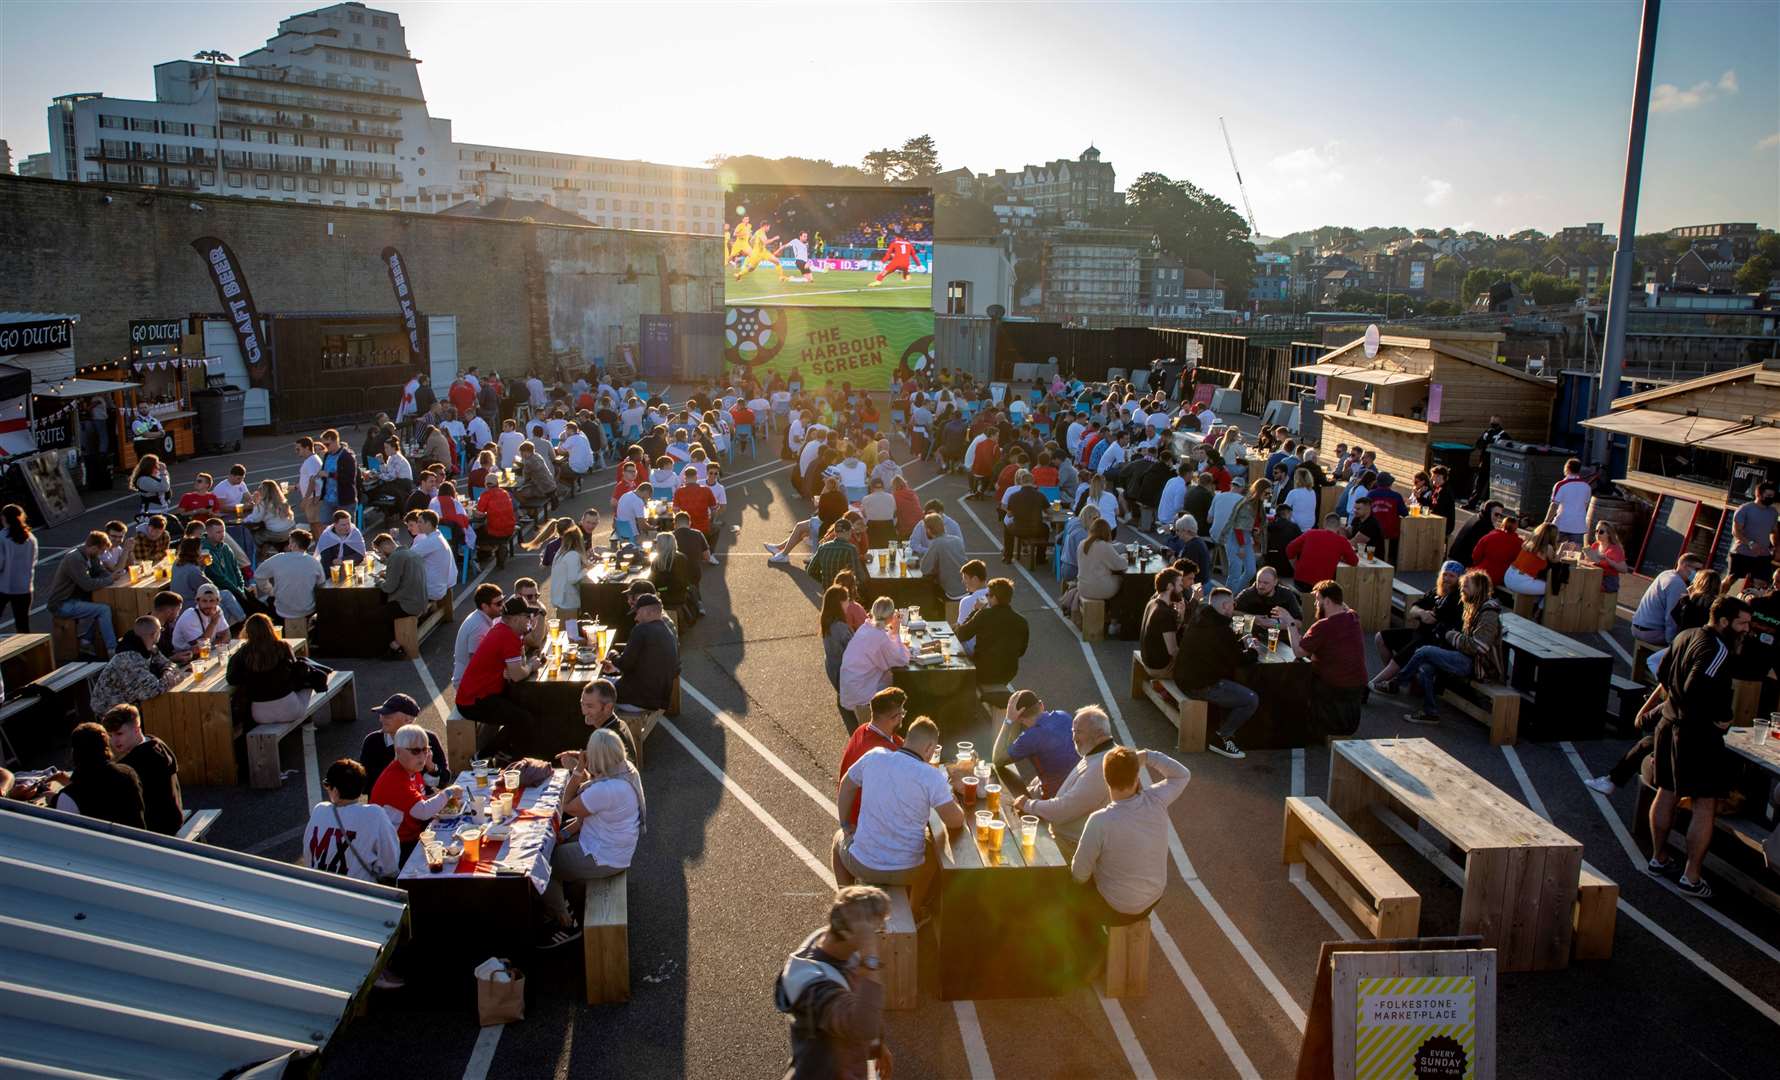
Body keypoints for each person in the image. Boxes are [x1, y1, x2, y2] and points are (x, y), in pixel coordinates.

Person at [1643, 595, 1750, 899]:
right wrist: (1722, 716)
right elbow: (1697, 686)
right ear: (1724, 621)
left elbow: (1663, 674)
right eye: (1742, 623)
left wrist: (1672, 704)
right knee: (1706, 803)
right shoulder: (1717, 648)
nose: (1746, 629)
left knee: (1667, 791)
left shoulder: (1684, 635)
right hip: (1696, 734)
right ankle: (1691, 876)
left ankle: (1659, 857)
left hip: (1669, 724)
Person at [832, 717, 962, 920]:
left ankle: (846, 906)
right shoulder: (932, 777)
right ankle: (915, 911)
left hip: (864, 864)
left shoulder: (874, 757)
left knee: (837, 839)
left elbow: (846, 784)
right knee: (932, 846)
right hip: (909, 871)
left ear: (906, 739)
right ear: (929, 748)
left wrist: (845, 824)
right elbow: (955, 822)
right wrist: (954, 800)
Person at [774, 885, 895, 1080]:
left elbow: (859, 992)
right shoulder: (814, 986)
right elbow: (863, 1026)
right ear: (849, 933)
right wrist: (870, 955)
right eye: (876, 930)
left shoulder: (839, 947)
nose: (879, 936)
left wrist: (877, 1045)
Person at [540, 728, 645, 949]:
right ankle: (557, 902)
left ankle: (566, 924)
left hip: (604, 856)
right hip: (613, 846)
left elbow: (567, 805)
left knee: (542, 865)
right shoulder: (625, 770)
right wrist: (566, 833)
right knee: (552, 846)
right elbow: (592, 805)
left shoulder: (607, 789)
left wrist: (578, 772)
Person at [1071, 746, 1190, 937]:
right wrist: (1147, 755)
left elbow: (1079, 874)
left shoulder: (1099, 820)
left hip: (1114, 908)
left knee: (1071, 884)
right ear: (1136, 778)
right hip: (1152, 900)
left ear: (1105, 778)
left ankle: (1092, 948)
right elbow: (1182, 775)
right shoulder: (1156, 800)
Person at [1399, 570, 1504, 725]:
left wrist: (1451, 635)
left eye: (1467, 586)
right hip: (1464, 656)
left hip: (1479, 665)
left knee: (1424, 651)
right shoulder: (1470, 606)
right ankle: (1430, 713)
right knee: (1426, 667)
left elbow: (1479, 647)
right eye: (1462, 586)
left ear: (1479, 588)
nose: (1462, 590)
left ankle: (1398, 681)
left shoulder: (1488, 612)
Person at [1012, 706, 1118, 856]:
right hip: (1068, 837)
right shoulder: (1096, 753)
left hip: (1074, 846)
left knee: (1017, 849)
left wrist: (1028, 805)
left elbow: (1065, 809)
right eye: (1073, 731)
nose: (1073, 737)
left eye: (1079, 732)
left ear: (1099, 734)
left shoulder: (1103, 766)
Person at [1174, 587, 1262, 759]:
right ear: (1224, 606)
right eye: (1232, 604)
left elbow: (1221, 651)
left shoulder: (1200, 616)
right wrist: (1252, 650)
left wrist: (1237, 643)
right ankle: (1222, 736)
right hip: (1199, 685)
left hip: (1183, 677)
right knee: (1251, 699)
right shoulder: (1221, 629)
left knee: (1230, 683)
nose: (1233, 607)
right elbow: (1239, 660)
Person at [1284, 579, 1368, 736]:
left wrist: (1290, 622)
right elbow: (1344, 606)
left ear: (1327, 601)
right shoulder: (1353, 617)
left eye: (1318, 600)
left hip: (1334, 687)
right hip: (1357, 685)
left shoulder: (1323, 626)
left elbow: (1298, 651)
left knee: (1296, 672)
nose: (1316, 605)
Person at [369, 722, 466, 859]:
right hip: (396, 847)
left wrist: (441, 798)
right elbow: (423, 811)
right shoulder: (395, 779)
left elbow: (421, 799)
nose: (422, 756)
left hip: (410, 835)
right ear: (399, 751)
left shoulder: (411, 770)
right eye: (415, 751)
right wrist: (448, 793)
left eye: (425, 750)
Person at [457, 595, 544, 739]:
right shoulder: (508, 637)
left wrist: (525, 633)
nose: (530, 619)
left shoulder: (503, 629)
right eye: (527, 616)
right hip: (474, 701)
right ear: (516, 618)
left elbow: (516, 667)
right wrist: (531, 666)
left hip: (479, 693)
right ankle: (487, 755)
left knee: (529, 704)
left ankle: (507, 750)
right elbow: (517, 675)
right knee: (524, 719)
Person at [304, 758, 402, 884]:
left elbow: (308, 854)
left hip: (318, 888)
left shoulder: (319, 810)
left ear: (335, 790)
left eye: (327, 785)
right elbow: (390, 866)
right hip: (358, 894)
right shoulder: (374, 815)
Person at [1372, 560, 1465, 692]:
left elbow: (1436, 619)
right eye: (1445, 574)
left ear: (1459, 579)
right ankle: (1393, 679)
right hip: (1420, 633)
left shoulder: (1457, 598)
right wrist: (1422, 613)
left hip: (1435, 641)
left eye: (1452, 576)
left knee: (1405, 654)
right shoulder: (1436, 592)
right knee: (1380, 637)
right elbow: (1413, 609)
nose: (1447, 579)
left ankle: (1375, 684)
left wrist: (1425, 615)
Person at [100, 703, 182, 835]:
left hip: (157, 829)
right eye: (110, 735)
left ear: (137, 730)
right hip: (174, 817)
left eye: (119, 733)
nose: (114, 741)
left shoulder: (133, 764)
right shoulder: (156, 742)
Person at [226, 613, 315, 726]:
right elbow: (296, 672)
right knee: (309, 682)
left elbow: (231, 679)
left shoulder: (243, 653)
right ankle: (308, 726)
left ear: (247, 632)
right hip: (290, 710)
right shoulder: (282, 646)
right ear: (270, 628)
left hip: (260, 714)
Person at [52, 722, 145, 829]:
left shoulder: (69, 797)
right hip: (137, 843)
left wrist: (55, 800)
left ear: (75, 753)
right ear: (106, 746)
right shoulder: (128, 774)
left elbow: (69, 838)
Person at [991, 690, 1081, 800]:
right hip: (1079, 783)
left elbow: (998, 760)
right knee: (1033, 784)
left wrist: (1009, 720)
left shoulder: (1031, 737)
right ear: (1041, 705)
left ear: (1018, 718)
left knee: (1014, 802)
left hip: (1056, 797)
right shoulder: (1064, 716)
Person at [837, 688, 906, 826]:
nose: (902, 717)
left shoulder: (862, 730)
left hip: (853, 815)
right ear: (895, 717)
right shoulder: (886, 753)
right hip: (868, 823)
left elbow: (899, 743)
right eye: (902, 713)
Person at [838, 597, 911, 727]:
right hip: (860, 692)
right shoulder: (879, 636)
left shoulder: (866, 628)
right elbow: (902, 660)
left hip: (849, 686)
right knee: (900, 685)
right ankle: (899, 728)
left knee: (887, 675)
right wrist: (895, 631)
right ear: (890, 616)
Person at [603, 592, 680, 711]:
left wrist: (613, 655)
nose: (635, 618)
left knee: (589, 689)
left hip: (636, 700)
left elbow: (625, 664)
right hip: (657, 699)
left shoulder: (641, 629)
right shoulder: (666, 631)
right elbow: (648, 664)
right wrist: (616, 668)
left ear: (647, 612)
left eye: (637, 613)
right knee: (604, 681)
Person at [48, 531, 119, 656]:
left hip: (76, 599)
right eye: (101, 551)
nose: (102, 554)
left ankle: (85, 641)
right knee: (103, 610)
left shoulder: (91, 556)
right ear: (93, 547)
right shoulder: (74, 559)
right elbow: (87, 585)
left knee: (104, 605)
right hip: (62, 603)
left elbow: (100, 571)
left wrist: (109, 576)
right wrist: (110, 579)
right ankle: (112, 649)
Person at [953, 577, 1028, 691]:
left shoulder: (984, 615)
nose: (986, 598)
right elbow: (1021, 651)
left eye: (988, 595)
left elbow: (961, 635)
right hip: (1008, 672)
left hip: (983, 671)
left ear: (994, 598)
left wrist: (975, 610)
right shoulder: (1021, 621)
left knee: (957, 655)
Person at [357, 693, 447, 787]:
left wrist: (431, 767)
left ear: (408, 720)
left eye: (388, 717)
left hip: (421, 799)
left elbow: (443, 782)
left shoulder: (428, 739)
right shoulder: (372, 741)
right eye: (381, 715)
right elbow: (363, 784)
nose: (381, 719)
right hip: (382, 800)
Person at [1631, 552, 1704, 647]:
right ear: (1685, 566)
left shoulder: (1666, 574)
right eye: (1696, 569)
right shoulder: (1677, 584)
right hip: (1650, 632)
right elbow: (1671, 618)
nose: (1698, 573)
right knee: (1685, 644)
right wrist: (1672, 644)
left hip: (1636, 627)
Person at [254, 529, 324, 623]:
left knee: (268, 601)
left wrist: (271, 591)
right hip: (308, 610)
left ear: (294, 544)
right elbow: (321, 584)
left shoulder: (278, 559)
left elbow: (259, 575)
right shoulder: (314, 563)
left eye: (290, 542)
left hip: (283, 611)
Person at [1138, 567, 1188, 678]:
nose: (1182, 589)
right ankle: (1168, 692)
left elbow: (1167, 632)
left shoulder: (1153, 602)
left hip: (1148, 661)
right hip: (1160, 668)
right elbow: (1173, 651)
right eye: (1180, 585)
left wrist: (1181, 616)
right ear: (1170, 586)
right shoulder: (1165, 613)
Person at [1730, 481, 1779, 585]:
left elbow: (1774, 532)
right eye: (1768, 495)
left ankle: (1751, 600)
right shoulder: (1745, 509)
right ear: (1759, 494)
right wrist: (1750, 543)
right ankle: (1718, 597)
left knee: (1761, 583)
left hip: (1762, 555)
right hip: (1742, 552)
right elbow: (1735, 531)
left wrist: (1776, 548)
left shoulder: (1773, 512)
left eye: (1773, 496)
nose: (1771, 498)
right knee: (1731, 580)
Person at [0, 504, 37, 631]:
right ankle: (26, 650)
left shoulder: (3, 537)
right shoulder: (30, 538)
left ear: (4, 518)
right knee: (23, 625)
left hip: (4, 586)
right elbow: (34, 560)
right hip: (24, 587)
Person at [1503, 522, 1563, 599]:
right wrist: (1562, 548)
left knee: (1546, 583)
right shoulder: (1548, 548)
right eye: (1557, 534)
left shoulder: (1530, 543)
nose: (1558, 536)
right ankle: (1540, 609)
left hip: (1508, 576)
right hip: (1520, 582)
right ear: (1552, 535)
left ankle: (1536, 606)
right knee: (1556, 587)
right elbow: (1556, 561)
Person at [171, 582, 233, 655]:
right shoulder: (189, 616)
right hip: (185, 657)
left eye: (212, 601)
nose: (208, 605)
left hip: (206, 652)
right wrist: (213, 623)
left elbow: (227, 635)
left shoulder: (217, 610)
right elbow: (200, 646)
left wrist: (213, 645)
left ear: (218, 601)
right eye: (204, 601)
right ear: (197, 601)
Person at [1235, 566, 1302, 630]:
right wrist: (1253, 618)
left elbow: (1299, 623)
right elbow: (1231, 611)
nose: (1261, 586)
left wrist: (1275, 625)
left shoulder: (1286, 595)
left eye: (1265, 583)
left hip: (1278, 635)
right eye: (1259, 581)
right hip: (1252, 634)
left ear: (1275, 582)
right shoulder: (1248, 594)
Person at [1470, 512, 1524, 588]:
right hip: (1499, 577)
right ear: (1516, 528)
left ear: (1503, 524)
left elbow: (1476, 554)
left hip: (1481, 571)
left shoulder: (1490, 536)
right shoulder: (1519, 543)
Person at [1546, 457, 1592, 545]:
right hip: (1579, 526)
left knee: (1552, 548)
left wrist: (1546, 521)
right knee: (1575, 554)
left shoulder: (1560, 485)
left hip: (1561, 524)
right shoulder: (1587, 487)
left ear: (1567, 468)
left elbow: (1554, 505)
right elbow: (1585, 505)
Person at [317, 429, 359, 523]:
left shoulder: (347, 456)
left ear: (335, 441)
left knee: (347, 529)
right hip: (328, 498)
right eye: (324, 445)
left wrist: (329, 474)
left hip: (344, 499)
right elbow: (324, 472)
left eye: (327, 444)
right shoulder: (327, 455)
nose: (326, 448)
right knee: (325, 524)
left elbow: (349, 478)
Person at [546, 522, 586, 622]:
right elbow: (573, 579)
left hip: (560, 599)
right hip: (568, 601)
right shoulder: (573, 555)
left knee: (563, 631)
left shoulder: (560, 552)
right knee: (570, 632)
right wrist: (586, 570)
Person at [820, 585, 856, 696]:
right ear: (840, 603)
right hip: (844, 679)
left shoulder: (828, 622)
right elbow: (857, 653)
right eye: (847, 600)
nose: (849, 603)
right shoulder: (840, 628)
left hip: (834, 672)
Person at [808, 518, 864, 587]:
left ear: (835, 532)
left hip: (828, 590)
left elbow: (810, 570)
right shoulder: (850, 549)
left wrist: (823, 580)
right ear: (848, 532)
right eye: (851, 531)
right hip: (844, 591)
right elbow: (858, 574)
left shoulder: (822, 547)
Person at [1446, 501, 1505, 566]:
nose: (1498, 518)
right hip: (1462, 562)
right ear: (1488, 512)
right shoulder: (1485, 526)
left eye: (1500, 516)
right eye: (1496, 514)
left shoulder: (1478, 517)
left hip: (1455, 556)